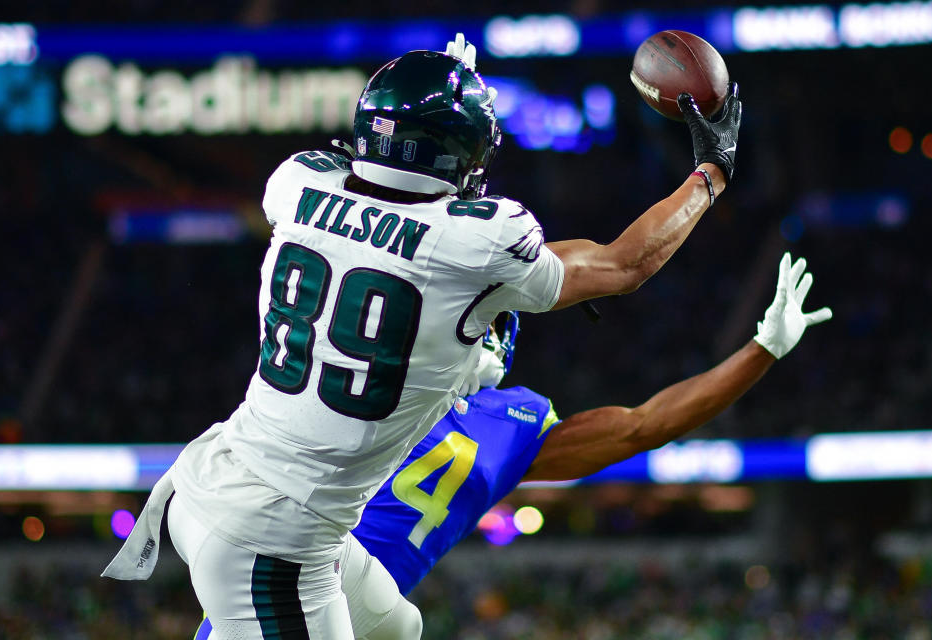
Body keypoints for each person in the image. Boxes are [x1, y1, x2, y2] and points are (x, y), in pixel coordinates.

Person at [102, 33, 743, 639]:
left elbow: (389, 190)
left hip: (220, 480)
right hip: (277, 539)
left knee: (394, 626)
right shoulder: (477, 240)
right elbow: (623, 264)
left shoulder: (298, 182)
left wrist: (431, 90)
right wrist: (711, 169)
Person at [193, 252, 831, 639]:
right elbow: (647, 425)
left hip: (303, 578)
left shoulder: (447, 394)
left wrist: (760, 353)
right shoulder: (496, 413)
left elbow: (643, 425)